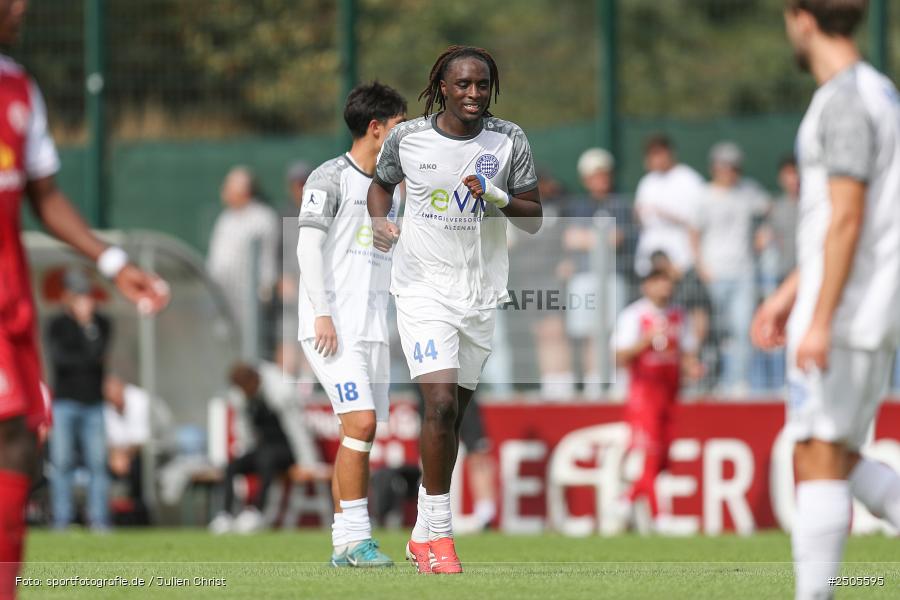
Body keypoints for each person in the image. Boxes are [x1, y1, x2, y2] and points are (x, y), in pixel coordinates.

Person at [0, 2, 168, 595]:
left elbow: (44, 196)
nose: (22, 7)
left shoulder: (19, 87)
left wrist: (112, 260)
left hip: (9, 300)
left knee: (18, 438)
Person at [368, 45, 541, 574]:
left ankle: (422, 531)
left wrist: (496, 195)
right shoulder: (408, 137)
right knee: (439, 405)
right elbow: (380, 187)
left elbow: (533, 217)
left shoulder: (509, 139)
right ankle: (441, 534)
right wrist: (379, 221)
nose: (473, 94)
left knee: (455, 416)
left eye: (482, 85)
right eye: (463, 84)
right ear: (442, 86)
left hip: (481, 294)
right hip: (421, 290)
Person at [751, 2, 900, 598]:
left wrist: (819, 316)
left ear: (802, 17)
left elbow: (847, 217)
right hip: (865, 301)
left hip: (847, 306)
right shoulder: (878, 92)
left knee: (815, 454)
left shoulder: (842, 100)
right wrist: (790, 291)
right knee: (836, 454)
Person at [298, 81, 406, 568]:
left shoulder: (391, 189)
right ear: (375, 128)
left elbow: (378, 254)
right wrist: (321, 311)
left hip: (371, 328)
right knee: (360, 423)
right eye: (400, 127)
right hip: (331, 327)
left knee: (358, 433)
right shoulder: (330, 177)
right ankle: (359, 540)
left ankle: (344, 546)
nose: (406, 137)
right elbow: (307, 248)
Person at [612, 268, 700, 533]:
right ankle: (661, 517)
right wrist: (645, 341)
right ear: (646, 286)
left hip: (671, 394)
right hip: (644, 395)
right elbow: (619, 355)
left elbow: (684, 352)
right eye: (658, 281)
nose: (664, 287)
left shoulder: (678, 315)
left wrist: (692, 367)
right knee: (650, 454)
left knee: (662, 458)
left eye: (667, 281)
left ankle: (625, 500)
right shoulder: (634, 315)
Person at [692, 141, 769, 394]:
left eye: (734, 166)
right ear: (715, 167)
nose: (730, 171)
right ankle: (711, 382)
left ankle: (738, 383)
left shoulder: (749, 192)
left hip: (744, 273)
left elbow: (768, 210)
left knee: (742, 329)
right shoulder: (704, 196)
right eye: (725, 166)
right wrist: (701, 266)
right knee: (712, 332)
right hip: (714, 272)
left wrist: (763, 232)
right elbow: (693, 233)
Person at [560, 148, 637, 396]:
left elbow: (618, 238)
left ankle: (616, 383)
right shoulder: (577, 206)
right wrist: (600, 238)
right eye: (594, 175)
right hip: (583, 278)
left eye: (604, 174)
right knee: (587, 334)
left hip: (614, 278)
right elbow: (569, 239)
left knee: (614, 332)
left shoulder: (621, 205)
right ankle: (594, 383)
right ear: (586, 179)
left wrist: (588, 239)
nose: (600, 179)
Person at [46, 268, 113, 531]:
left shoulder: (101, 324)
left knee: (98, 463)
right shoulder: (57, 325)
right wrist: (86, 358)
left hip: (94, 404)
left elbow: (98, 353)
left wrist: (87, 326)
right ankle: (62, 520)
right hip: (65, 403)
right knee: (62, 462)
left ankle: (99, 520)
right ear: (67, 297)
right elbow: (61, 360)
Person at [209, 364, 295, 534]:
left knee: (266, 459)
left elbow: (297, 429)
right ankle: (225, 514)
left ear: (255, 381)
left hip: (286, 450)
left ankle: (256, 512)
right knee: (231, 467)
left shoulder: (280, 392)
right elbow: (245, 429)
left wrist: (309, 462)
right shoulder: (243, 398)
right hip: (262, 449)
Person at [206, 166, 279, 337]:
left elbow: (267, 261)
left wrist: (264, 292)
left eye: (229, 187)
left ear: (244, 191)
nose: (224, 192)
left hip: (249, 301)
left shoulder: (262, 218)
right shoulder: (225, 219)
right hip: (223, 298)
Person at [633, 134, 704, 277]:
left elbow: (697, 219)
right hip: (650, 249)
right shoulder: (647, 181)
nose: (656, 159)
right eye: (652, 154)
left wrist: (665, 214)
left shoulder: (689, 179)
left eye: (659, 153)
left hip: (681, 252)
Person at [103, 375, 150, 525]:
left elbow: (140, 439)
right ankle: (106, 517)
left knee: (137, 469)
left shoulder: (139, 399)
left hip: (139, 453)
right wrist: (115, 456)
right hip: (116, 455)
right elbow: (108, 437)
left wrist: (124, 457)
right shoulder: (106, 405)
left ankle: (139, 516)